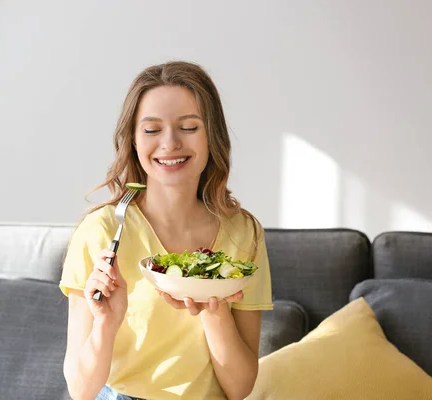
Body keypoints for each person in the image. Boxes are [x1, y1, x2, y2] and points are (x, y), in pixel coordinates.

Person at [59, 61, 273, 400]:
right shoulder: (102, 231)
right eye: (151, 129)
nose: (170, 143)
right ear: (133, 140)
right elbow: (81, 390)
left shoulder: (243, 233)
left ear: (212, 136)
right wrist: (105, 323)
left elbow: (240, 387)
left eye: (188, 127)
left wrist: (214, 312)